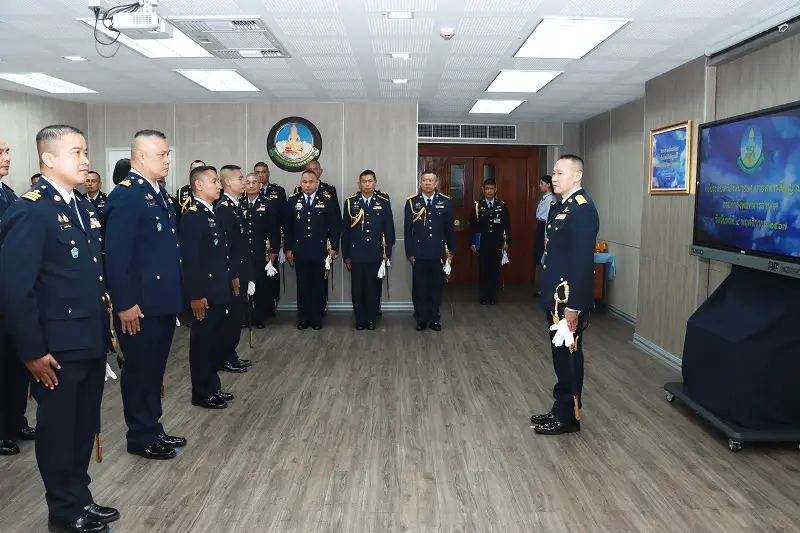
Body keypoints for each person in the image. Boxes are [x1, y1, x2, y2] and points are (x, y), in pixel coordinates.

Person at [0, 125, 118, 533]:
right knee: (58, 431)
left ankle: (80, 496)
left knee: (83, 427)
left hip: (88, 339)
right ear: (48, 159)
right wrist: (32, 351)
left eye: (86, 152)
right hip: (55, 348)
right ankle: (64, 511)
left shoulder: (81, 206)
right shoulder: (31, 210)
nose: (86, 161)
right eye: (76, 153)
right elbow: (15, 289)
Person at [104, 130, 185, 460]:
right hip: (138, 305)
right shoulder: (127, 196)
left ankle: (152, 426)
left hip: (160, 301)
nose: (167, 160)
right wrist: (124, 304)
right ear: (139, 157)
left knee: (154, 369)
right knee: (139, 371)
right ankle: (140, 436)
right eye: (161, 154)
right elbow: (116, 256)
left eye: (168, 154)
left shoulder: (157, 192)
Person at [530, 154, 599, 436]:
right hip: (558, 297)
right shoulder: (562, 206)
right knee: (560, 356)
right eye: (554, 173)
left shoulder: (582, 209)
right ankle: (561, 408)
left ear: (577, 176)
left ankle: (569, 417)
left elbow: (582, 262)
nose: (554, 178)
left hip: (568, 300)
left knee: (569, 357)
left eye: (560, 173)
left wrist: (574, 306)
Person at [179, 165, 233, 409]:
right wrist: (196, 295)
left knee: (213, 342)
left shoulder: (210, 213)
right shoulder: (192, 216)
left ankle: (213, 386)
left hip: (217, 291)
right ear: (199, 185)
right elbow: (190, 261)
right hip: (204, 295)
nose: (219, 186)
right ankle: (202, 392)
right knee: (202, 345)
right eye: (214, 181)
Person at [0, 137, 34, 458]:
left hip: (12, 295)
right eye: (0, 151)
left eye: (7, 150)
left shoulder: (8, 194)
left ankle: (15, 419)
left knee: (15, 363)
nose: (7, 156)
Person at [283, 169, 340, 330]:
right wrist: (288, 249)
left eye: (311, 182)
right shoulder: (293, 201)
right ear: (300, 183)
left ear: (317, 183)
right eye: (304, 182)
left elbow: (334, 226)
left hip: (320, 251)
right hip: (300, 250)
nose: (307, 185)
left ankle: (316, 318)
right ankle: (303, 318)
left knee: (318, 285)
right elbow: (288, 227)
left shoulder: (326, 201)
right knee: (302, 285)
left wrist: (333, 247)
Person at [341, 170, 394, 330]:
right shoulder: (351, 202)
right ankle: (360, 319)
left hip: (376, 253)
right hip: (356, 254)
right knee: (357, 289)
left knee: (373, 289)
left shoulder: (383, 201)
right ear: (359, 184)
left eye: (370, 181)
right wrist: (346, 255)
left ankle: (371, 319)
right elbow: (345, 231)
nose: (367, 184)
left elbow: (389, 229)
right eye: (364, 181)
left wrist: (387, 253)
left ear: (375, 183)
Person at [404, 171, 455, 331]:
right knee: (420, 288)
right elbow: (408, 231)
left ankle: (434, 318)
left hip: (437, 252)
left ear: (436, 183)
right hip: (419, 253)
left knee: (435, 287)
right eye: (425, 180)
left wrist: (451, 251)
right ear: (420, 183)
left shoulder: (445, 202)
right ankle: (421, 319)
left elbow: (449, 229)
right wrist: (410, 253)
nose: (427, 183)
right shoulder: (412, 203)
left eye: (431, 180)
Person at [214, 165, 253, 373]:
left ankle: (231, 354)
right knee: (230, 318)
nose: (244, 182)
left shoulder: (236, 206)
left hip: (241, 270)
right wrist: (233, 275)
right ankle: (224, 357)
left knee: (237, 316)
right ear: (228, 182)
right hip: (233, 274)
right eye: (240, 178)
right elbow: (226, 247)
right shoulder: (224, 209)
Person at [242, 172, 280, 327]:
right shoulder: (239, 204)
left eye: (254, 183)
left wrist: (274, 253)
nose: (251, 185)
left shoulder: (268, 204)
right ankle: (245, 318)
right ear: (244, 185)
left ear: (260, 185)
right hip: (243, 253)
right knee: (244, 285)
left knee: (261, 286)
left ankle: (259, 318)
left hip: (261, 252)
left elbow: (274, 230)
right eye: (248, 182)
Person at [469, 178, 511, 305]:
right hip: (483, 243)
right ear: (483, 190)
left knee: (494, 271)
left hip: (497, 243)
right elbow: (473, 226)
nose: (489, 191)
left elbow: (507, 225)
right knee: (483, 271)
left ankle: (493, 297)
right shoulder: (477, 206)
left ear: (495, 190)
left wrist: (507, 242)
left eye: (492, 189)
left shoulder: (501, 205)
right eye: (487, 188)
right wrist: (472, 242)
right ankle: (483, 297)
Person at [253, 162, 285, 312]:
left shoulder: (278, 191)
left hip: (273, 240)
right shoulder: (246, 194)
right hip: (256, 242)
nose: (260, 175)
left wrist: (282, 244)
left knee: (272, 275)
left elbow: (283, 218)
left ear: (268, 173)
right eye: (257, 172)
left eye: (263, 172)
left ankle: (271, 304)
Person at [533, 175, 555, 296]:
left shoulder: (550, 199)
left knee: (543, 257)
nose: (540, 185)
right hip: (540, 225)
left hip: (544, 228)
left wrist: (546, 236)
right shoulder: (544, 198)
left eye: (542, 183)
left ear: (548, 185)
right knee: (538, 256)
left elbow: (548, 219)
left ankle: (544, 288)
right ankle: (539, 286)